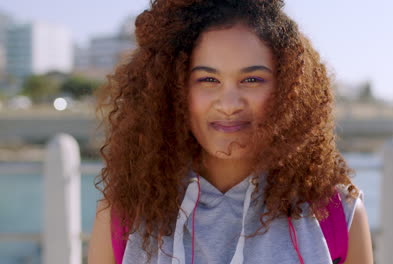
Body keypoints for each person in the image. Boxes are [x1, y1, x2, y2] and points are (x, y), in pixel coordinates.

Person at [88, 0, 373, 263]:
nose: (228, 104)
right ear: (171, 89)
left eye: (252, 79)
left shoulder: (336, 215)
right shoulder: (122, 217)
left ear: (288, 90)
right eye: (208, 79)